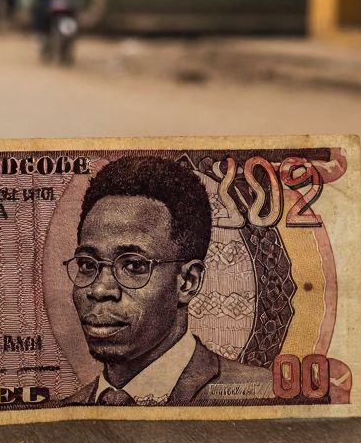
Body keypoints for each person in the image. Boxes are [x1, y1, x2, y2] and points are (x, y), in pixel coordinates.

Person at [60, 155, 274, 406]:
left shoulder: (263, 393)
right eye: (87, 264)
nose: (99, 289)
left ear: (187, 282)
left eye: (133, 265)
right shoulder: (66, 409)